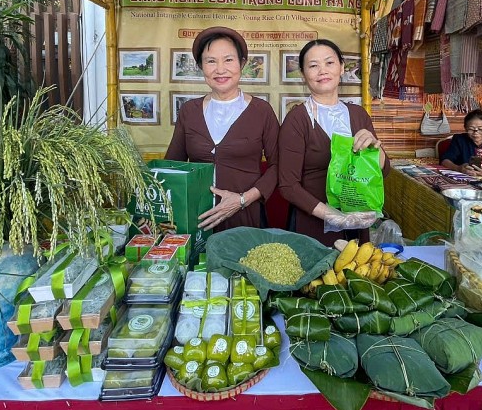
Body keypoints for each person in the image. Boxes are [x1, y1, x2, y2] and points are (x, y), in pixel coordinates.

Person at [165, 26, 279, 231]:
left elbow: (278, 166)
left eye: (228, 59)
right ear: (201, 67)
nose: (220, 69)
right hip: (197, 219)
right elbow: (172, 166)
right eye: (210, 61)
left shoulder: (262, 111)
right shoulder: (189, 111)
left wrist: (242, 200)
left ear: (242, 64)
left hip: (246, 218)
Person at [278, 39, 390, 247]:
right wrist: (333, 216)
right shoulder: (297, 119)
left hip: (357, 223)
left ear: (341, 68)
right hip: (311, 227)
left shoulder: (358, 115)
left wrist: (375, 147)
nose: (322, 71)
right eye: (313, 65)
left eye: (329, 63)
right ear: (303, 75)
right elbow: (288, 186)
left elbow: (382, 171)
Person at [440, 109, 482, 179]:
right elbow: (445, 160)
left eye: (480, 129)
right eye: (471, 129)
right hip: (463, 180)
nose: (476, 133)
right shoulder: (460, 140)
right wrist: (459, 168)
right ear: (465, 129)